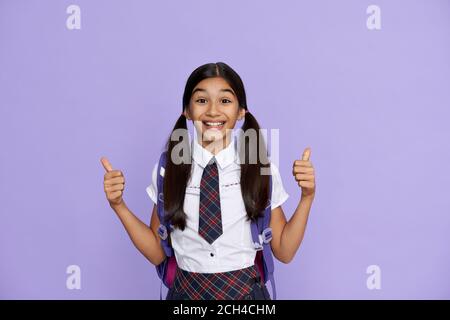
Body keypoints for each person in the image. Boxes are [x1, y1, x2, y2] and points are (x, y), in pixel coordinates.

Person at [101, 62, 316, 300]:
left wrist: (307, 197)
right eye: (202, 100)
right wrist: (118, 205)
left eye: (225, 101)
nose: (213, 111)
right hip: (185, 297)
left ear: (241, 112)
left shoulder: (260, 169)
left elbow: (284, 251)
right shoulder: (168, 168)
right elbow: (156, 253)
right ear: (187, 110)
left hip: (247, 296)